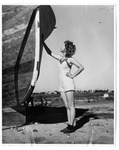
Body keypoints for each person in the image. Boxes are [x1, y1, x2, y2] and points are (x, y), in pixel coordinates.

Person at [42, 37, 84, 133]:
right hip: (61, 84)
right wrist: (42, 42)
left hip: (68, 83)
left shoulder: (70, 59)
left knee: (71, 105)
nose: (60, 46)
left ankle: (70, 126)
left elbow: (81, 67)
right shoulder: (60, 58)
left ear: (65, 48)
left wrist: (73, 75)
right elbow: (50, 53)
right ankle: (71, 124)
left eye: (62, 45)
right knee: (67, 106)